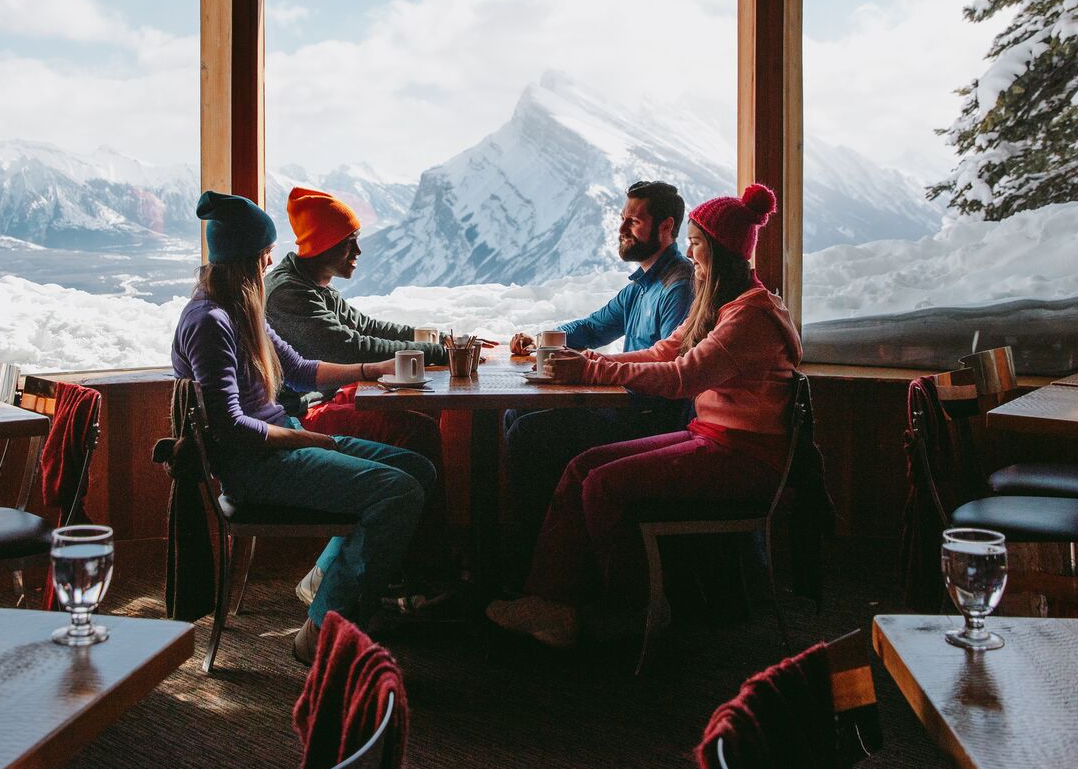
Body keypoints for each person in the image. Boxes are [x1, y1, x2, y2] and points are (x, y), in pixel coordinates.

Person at [485, 184, 798, 649]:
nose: (691, 255)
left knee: (603, 484)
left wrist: (592, 368)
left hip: (744, 457)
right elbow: (664, 352)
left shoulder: (750, 318)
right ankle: (549, 598)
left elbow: (681, 377)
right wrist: (587, 360)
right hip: (712, 437)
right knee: (582, 468)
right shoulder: (724, 308)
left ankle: (633, 611)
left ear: (717, 250)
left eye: (696, 244)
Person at [172, 191, 437, 664]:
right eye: (264, 253)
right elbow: (232, 427)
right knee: (398, 492)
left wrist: (371, 370)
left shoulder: (240, 308)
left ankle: (333, 590)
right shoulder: (210, 321)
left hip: (280, 443)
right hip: (256, 465)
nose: (271, 260)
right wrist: (304, 437)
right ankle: (321, 629)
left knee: (416, 469)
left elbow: (299, 369)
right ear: (246, 259)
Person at [265, 185, 458, 602]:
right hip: (299, 416)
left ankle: (373, 572)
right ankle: (405, 577)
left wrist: (437, 339)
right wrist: (438, 352)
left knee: (418, 430)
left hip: (318, 405)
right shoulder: (288, 294)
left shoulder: (311, 282)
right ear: (326, 243)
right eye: (350, 242)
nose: (358, 252)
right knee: (415, 436)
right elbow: (350, 346)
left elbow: (368, 327)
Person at [500, 180, 694, 584]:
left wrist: (590, 365)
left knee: (527, 433)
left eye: (634, 221)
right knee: (516, 412)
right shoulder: (642, 285)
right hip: (625, 405)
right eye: (623, 219)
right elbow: (591, 327)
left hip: (652, 418)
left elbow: (671, 364)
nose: (622, 228)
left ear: (666, 227)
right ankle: (538, 551)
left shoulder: (678, 286)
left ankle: (531, 567)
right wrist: (541, 340)